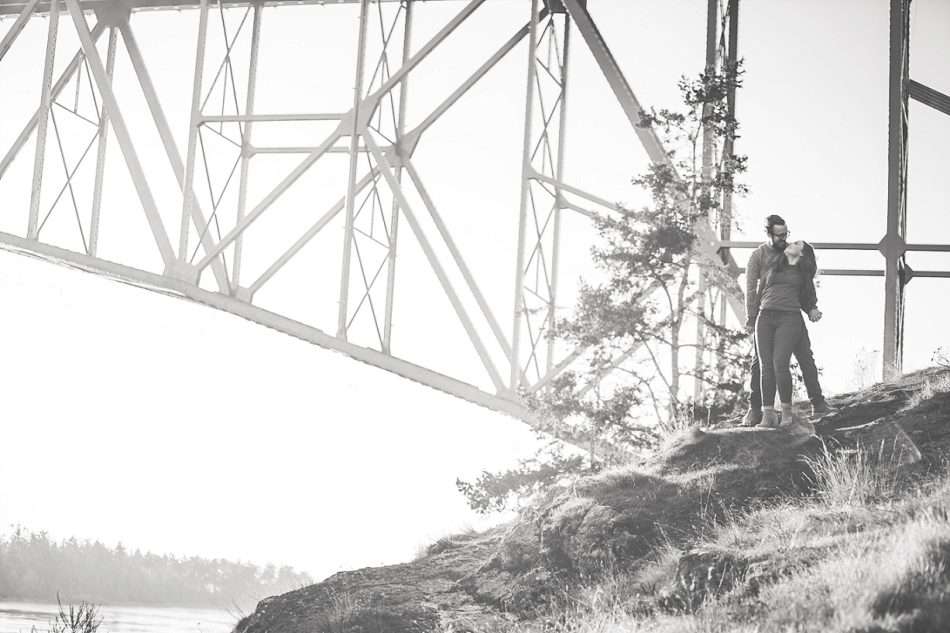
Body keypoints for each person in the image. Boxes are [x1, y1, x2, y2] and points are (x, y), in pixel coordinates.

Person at [741, 215, 835, 427]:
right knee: (761, 363)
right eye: (779, 235)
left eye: (786, 234)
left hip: (790, 313)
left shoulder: (793, 252)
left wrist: (810, 307)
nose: (784, 239)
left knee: (804, 356)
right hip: (766, 314)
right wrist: (751, 316)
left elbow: (803, 285)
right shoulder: (758, 255)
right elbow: (750, 289)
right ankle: (756, 409)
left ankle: (817, 403)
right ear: (769, 234)